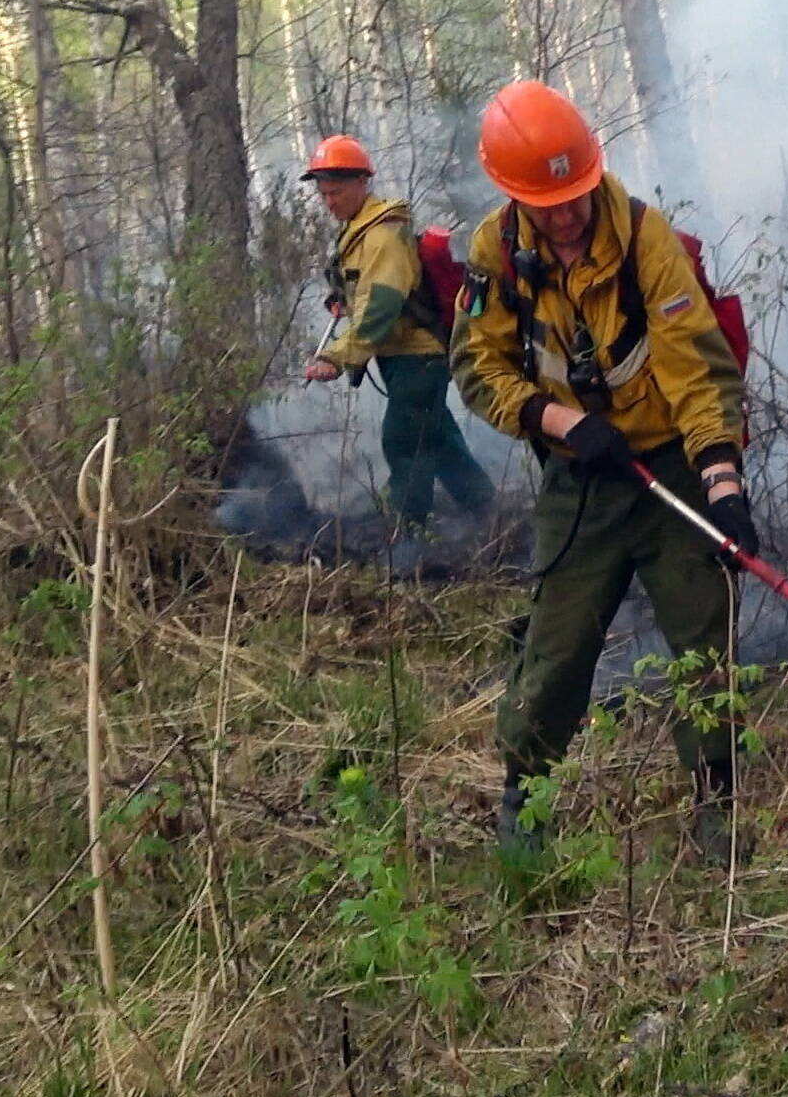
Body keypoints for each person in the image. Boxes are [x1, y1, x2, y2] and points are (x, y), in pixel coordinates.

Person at [450, 81, 757, 864]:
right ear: (515, 195)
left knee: (702, 637)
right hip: (582, 482)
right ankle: (528, 801)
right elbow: (478, 370)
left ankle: (717, 804)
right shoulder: (495, 254)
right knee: (557, 647)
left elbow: (698, 372)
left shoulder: (645, 241)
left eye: (576, 195)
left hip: (669, 472)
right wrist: (561, 422)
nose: (566, 215)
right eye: (547, 204)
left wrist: (723, 486)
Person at [300, 136, 494, 534]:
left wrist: (336, 357)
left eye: (336, 192)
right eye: (324, 194)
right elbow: (366, 291)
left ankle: (407, 530)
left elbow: (382, 309)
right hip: (401, 357)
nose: (329, 202)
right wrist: (343, 300)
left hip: (418, 357)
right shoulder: (359, 231)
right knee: (436, 437)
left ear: (361, 183)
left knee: (404, 439)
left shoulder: (384, 234)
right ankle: (485, 506)